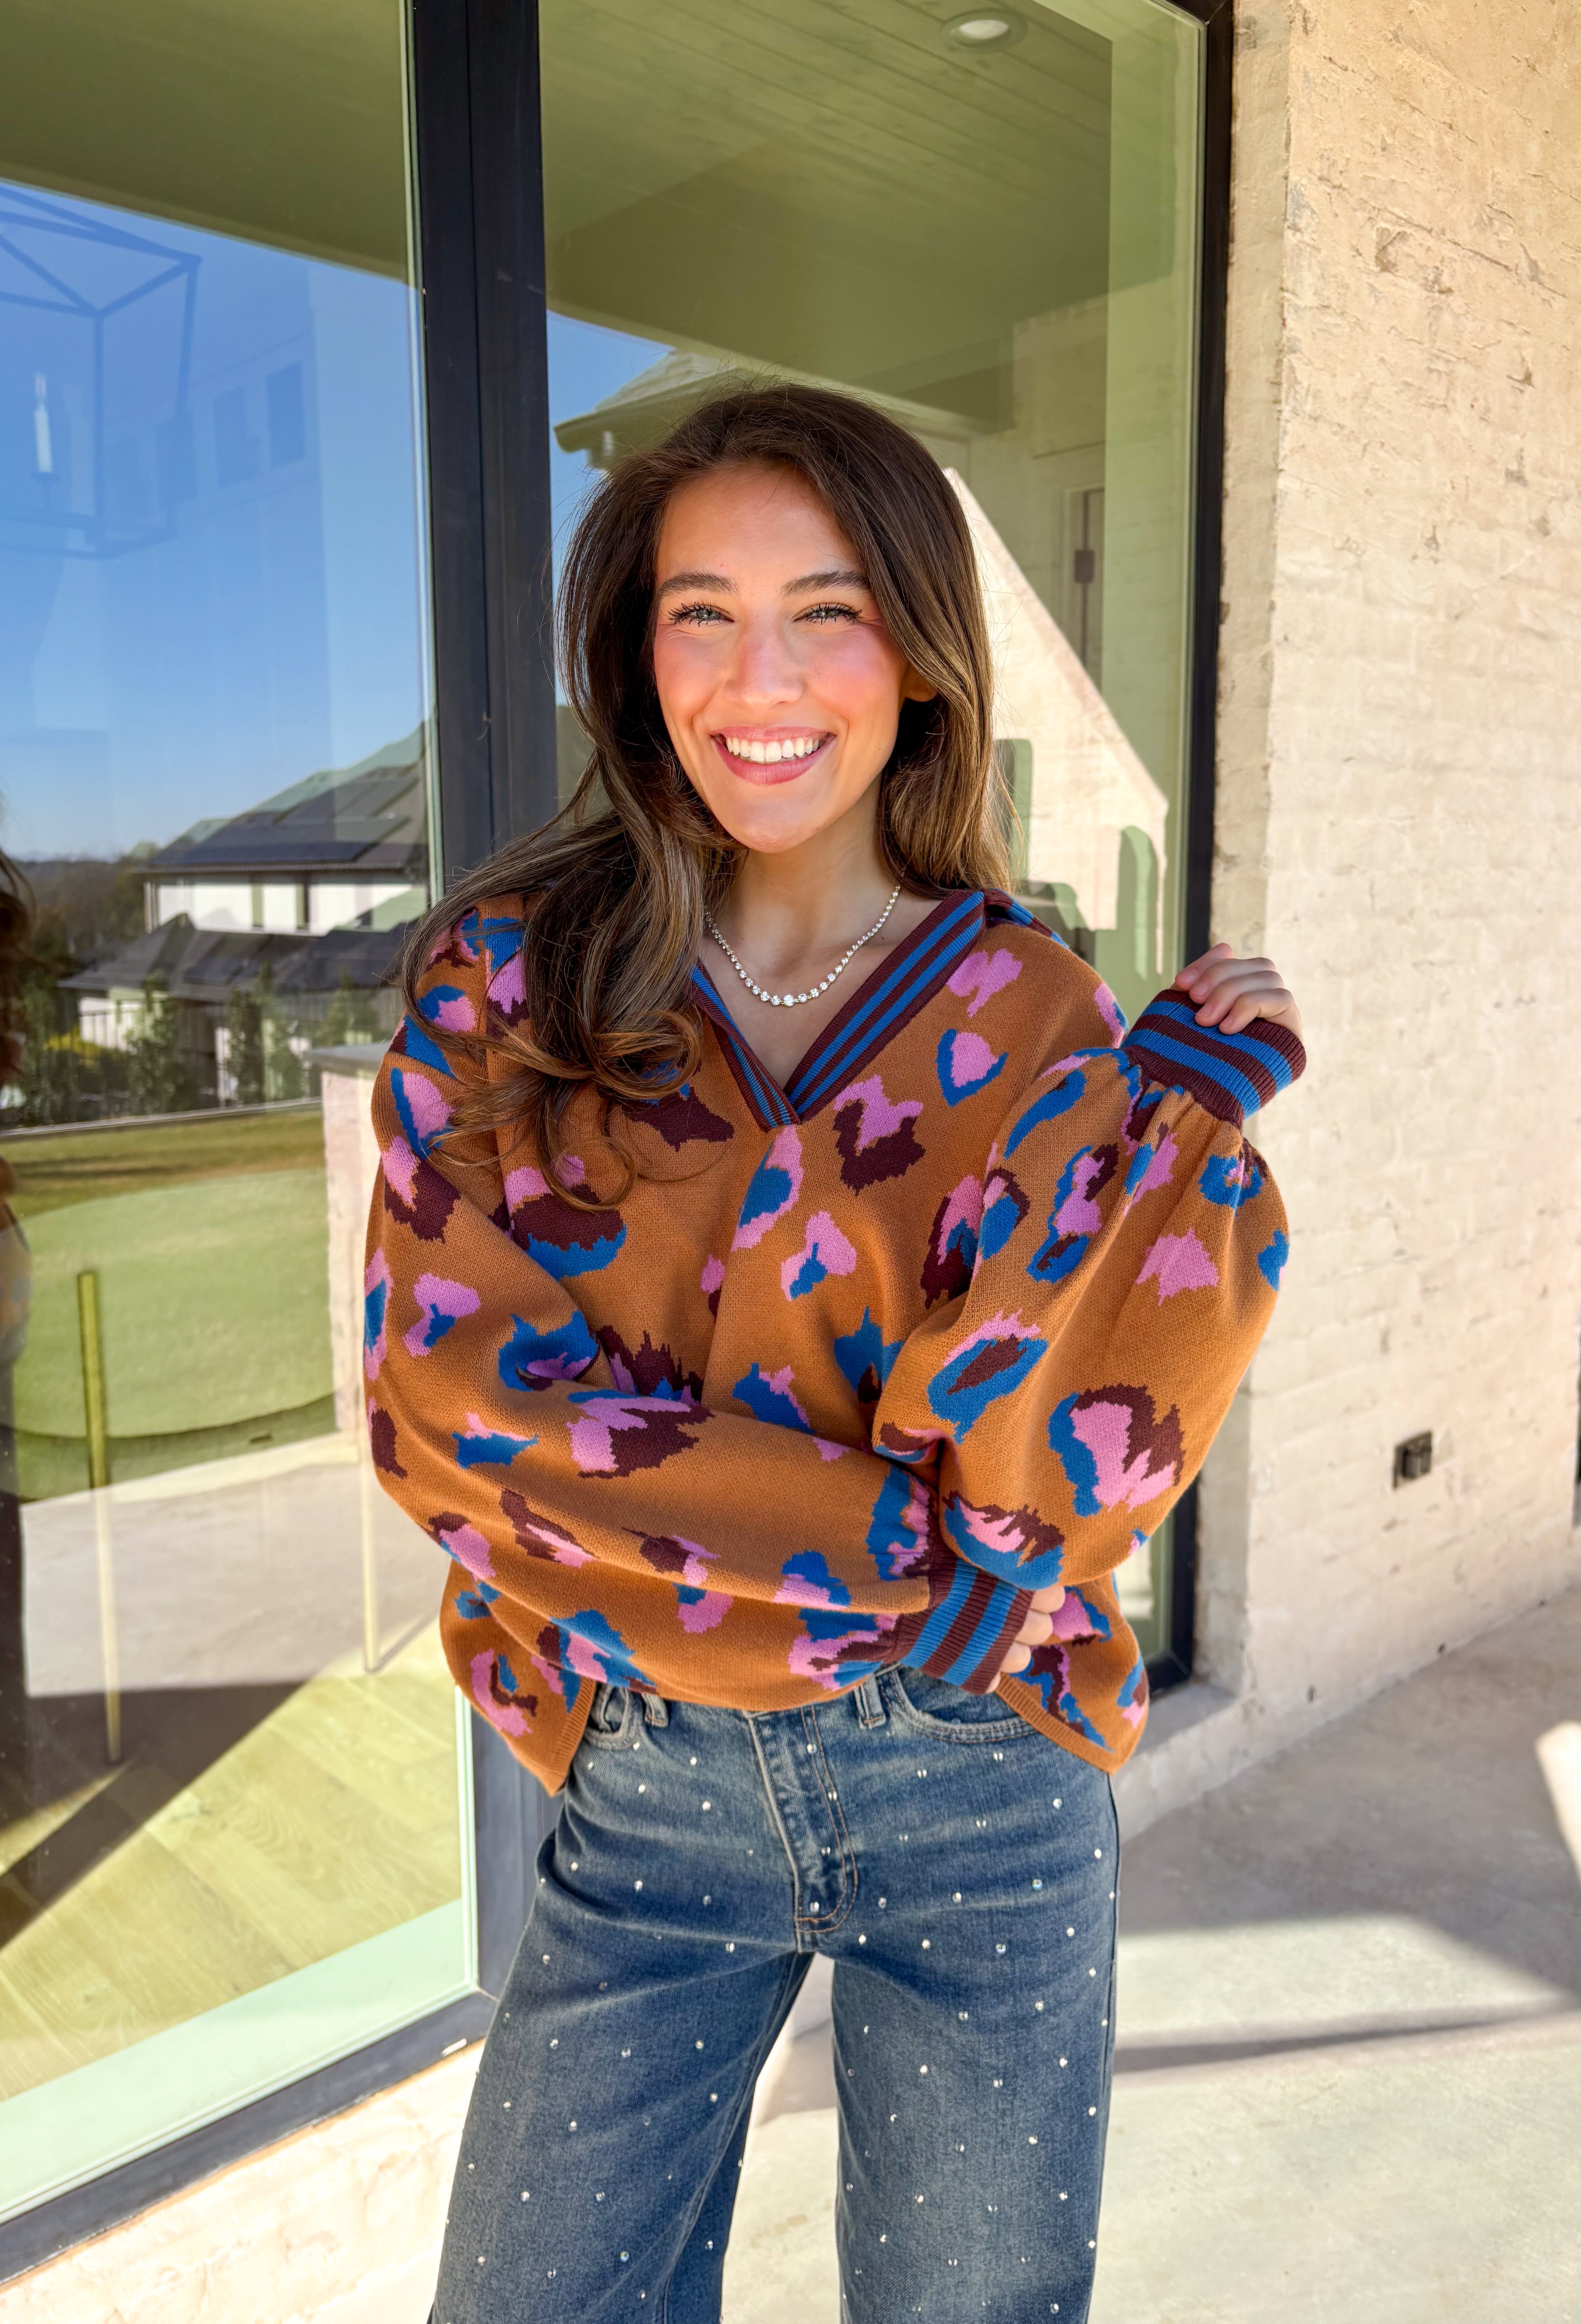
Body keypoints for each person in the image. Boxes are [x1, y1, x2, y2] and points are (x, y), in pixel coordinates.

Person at [366, 384, 1304, 2323]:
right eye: (699, 609)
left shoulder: (1030, 1004)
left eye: (828, 606)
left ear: (917, 653)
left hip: (984, 1788)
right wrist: (928, 1562)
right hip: (652, 1788)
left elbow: (1074, 1453)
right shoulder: (513, 980)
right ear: (636, 656)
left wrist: (1176, 1151)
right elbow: (456, 1416)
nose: (757, 674)